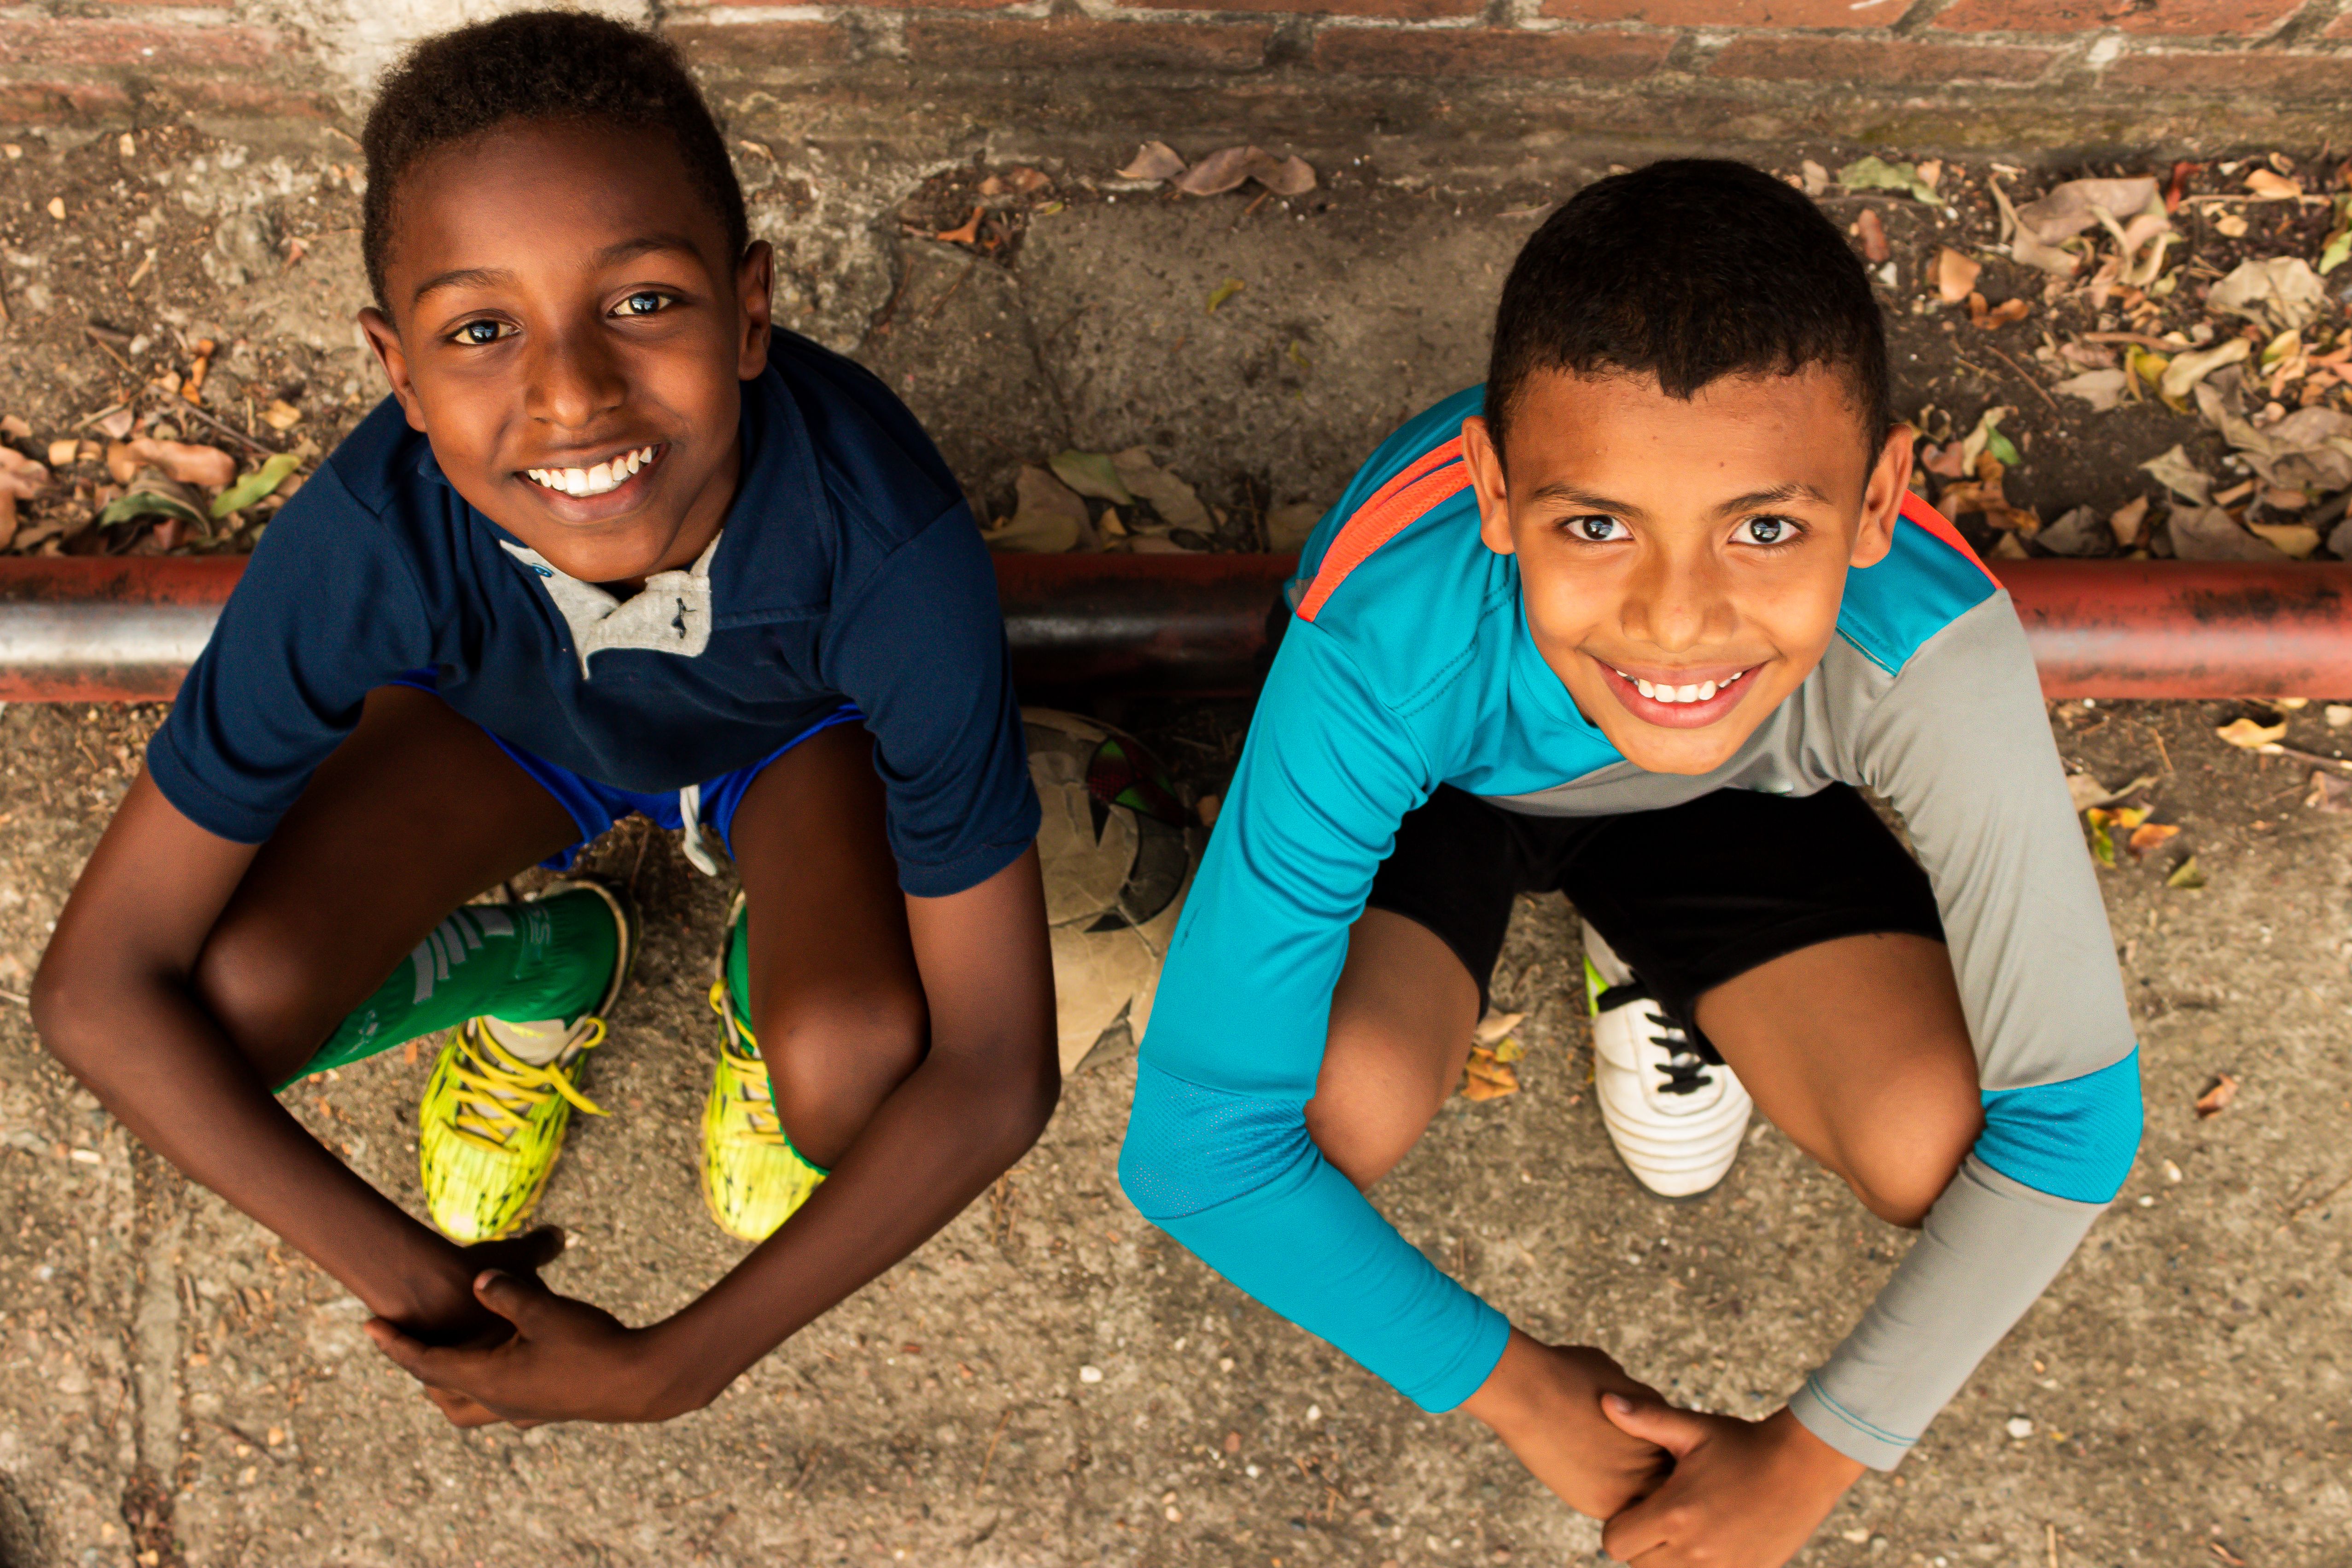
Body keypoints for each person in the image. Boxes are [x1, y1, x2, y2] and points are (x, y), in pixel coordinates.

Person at [31, 10, 1056, 1428]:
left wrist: (669, 1366)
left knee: (859, 1067)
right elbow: (95, 988)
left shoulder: (885, 552)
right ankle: (546, 970)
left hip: (792, 744)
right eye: (482, 330)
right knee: (230, 1000)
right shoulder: (374, 537)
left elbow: (997, 1071)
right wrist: (441, 1292)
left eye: (641, 302)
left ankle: (773, 989)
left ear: (750, 310)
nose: (571, 394)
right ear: (398, 370)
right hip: (512, 736)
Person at [1118, 159, 2141, 1566]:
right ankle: (1642, 933)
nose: (1674, 615)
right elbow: (1196, 1154)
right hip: (1451, 792)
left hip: (1727, 790)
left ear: (1879, 502)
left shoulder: (1931, 641)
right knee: (1320, 1108)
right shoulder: (1383, 632)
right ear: (1490, 491)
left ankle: (1663, 948)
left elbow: (2074, 1123)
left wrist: (1812, 1456)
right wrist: (1519, 1391)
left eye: (1766, 528)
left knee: (1937, 1141)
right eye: (1594, 525)